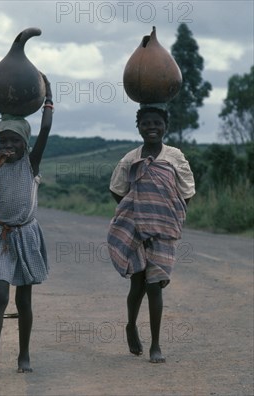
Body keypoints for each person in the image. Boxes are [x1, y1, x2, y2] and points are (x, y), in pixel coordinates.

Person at [0, 73, 53, 377]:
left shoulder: (30, 164)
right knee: (1, 295)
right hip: (0, 236)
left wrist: (49, 96)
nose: (8, 146)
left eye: (14, 141)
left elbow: (45, 129)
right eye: (3, 140)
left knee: (24, 299)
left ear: (25, 143)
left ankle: (23, 354)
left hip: (27, 236)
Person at [107, 105, 195, 363]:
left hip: (164, 233)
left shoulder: (174, 157)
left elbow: (187, 192)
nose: (152, 127)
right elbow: (117, 189)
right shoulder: (130, 159)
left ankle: (156, 345)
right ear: (139, 127)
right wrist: (138, 210)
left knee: (155, 285)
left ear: (166, 127)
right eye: (146, 123)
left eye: (157, 123)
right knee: (137, 284)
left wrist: (167, 217)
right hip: (136, 230)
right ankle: (131, 325)